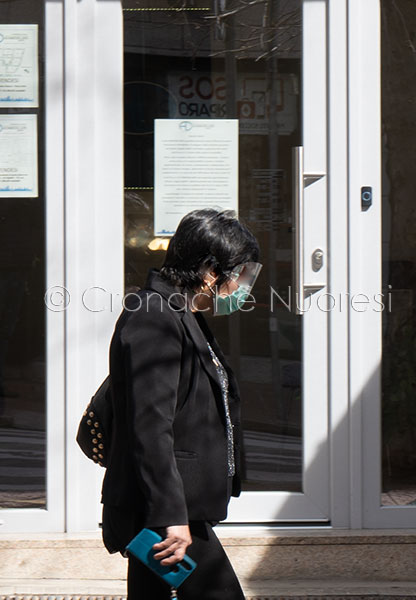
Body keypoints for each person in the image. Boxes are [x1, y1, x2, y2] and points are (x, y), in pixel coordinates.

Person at [101, 209, 262, 600]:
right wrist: (170, 515)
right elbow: (150, 426)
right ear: (210, 269)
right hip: (168, 513)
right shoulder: (154, 317)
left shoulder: (180, 314)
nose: (242, 287)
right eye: (240, 274)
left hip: (175, 509)